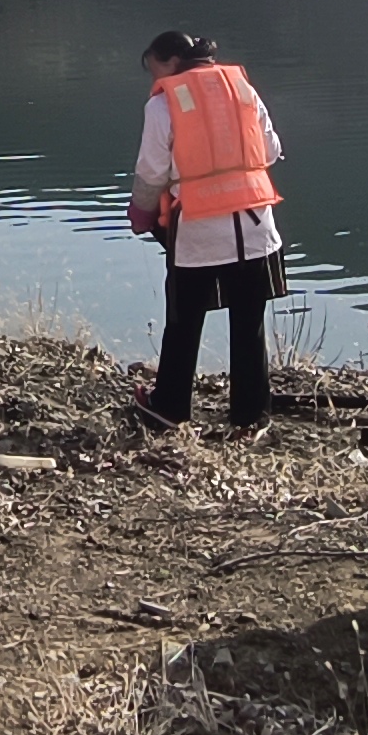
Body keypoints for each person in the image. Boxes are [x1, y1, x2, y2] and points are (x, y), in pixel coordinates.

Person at [128, 30, 288, 435]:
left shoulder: (164, 104)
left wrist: (142, 213)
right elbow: (269, 150)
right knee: (249, 323)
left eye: (152, 68)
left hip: (199, 230)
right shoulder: (241, 89)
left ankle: (168, 410)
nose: (152, 78)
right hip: (255, 227)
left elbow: (151, 171)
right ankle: (251, 417)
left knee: (183, 323)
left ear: (167, 62)